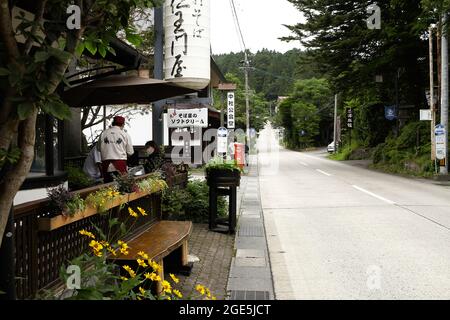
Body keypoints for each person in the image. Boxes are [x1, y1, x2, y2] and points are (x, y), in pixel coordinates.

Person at [97, 116, 134, 182]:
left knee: (107, 186)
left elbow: (98, 149)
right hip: (120, 163)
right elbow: (130, 152)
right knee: (122, 185)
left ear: (113, 123)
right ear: (123, 124)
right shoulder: (125, 134)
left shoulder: (103, 133)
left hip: (106, 164)